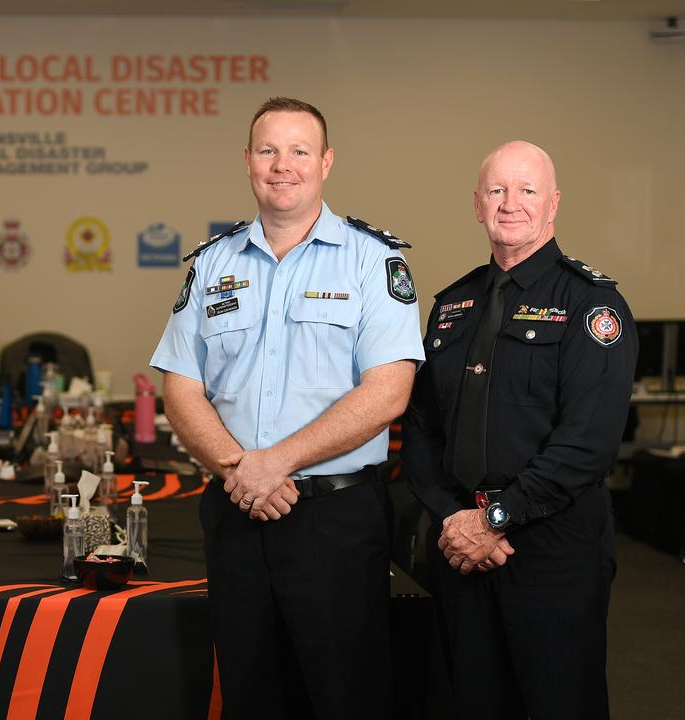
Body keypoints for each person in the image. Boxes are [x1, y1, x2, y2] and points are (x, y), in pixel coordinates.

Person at [150, 97, 424, 718]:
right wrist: (238, 468)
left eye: (299, 150)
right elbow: (182, 387)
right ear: (247, 161)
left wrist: (274, 463)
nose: (283, 166)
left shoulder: (373, 260)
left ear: (325, 162)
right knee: (249, 693)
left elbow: (388, 391)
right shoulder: (213, 264)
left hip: (335, 521)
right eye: (268, 150)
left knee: (345, 695)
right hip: (235, 512)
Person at [401, 141, 637, 719]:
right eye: (497, 190)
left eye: (527, 190)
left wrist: (495, 519)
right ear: (477, 205)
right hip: (462, 548)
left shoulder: (591, 305)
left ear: (552, 204)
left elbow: (586, 445)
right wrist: (456, 519)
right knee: (472, 704)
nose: (512, 203)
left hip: (553, 549)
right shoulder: (453, 306)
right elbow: (423, 429)